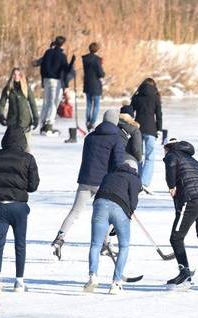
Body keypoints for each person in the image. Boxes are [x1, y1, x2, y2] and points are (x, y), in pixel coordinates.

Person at [51, 110, 126, 259]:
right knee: (105, 215)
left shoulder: (90, 137)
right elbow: (117, 163)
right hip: (103, 183)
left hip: (85, 180)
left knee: (75, 211)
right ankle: (104, 244)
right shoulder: (116, 138)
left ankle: (59, 239)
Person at [0, 127, 40, 293]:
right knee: (20, 244)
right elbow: (33, 185)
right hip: (19, 207)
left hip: (0, 205)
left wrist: (0, 186)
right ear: (23, 141)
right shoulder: (28, 158)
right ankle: (19, 282)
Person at [83, 160, 141, 294]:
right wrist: (129, 213)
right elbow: (133, 200)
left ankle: (93, 276)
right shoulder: (134, 178)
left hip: (100, 204)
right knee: (124, 246)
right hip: (120, 208)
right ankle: (116, 283)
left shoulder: (109, 175)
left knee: (95, 244)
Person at [163, 138, 198, 289]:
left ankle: (184, 273)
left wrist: (171, 185)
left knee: (176, 237)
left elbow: (171, 165)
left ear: (168, 147)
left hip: (191, 199)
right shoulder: (194, 160)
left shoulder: (172, 155)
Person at [130, 78, 163, 192]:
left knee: (138, 156)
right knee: (150, 156)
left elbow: (130, 112)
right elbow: (159, 115)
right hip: (151, 129)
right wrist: (159, 129)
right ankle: (144, 181)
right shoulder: (155, 97)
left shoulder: (136, 96)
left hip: (137, 129)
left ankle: (137, 180)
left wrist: (129, 126)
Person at [0, 68, 39, 152]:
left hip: (25, 123)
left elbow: (33, 104)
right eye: (14, 74)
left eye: (18, 74)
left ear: (21, 76)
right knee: (10, 147)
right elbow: (1, 104)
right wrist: (1, 116)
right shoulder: (8, 89)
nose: (16, 76)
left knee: (25, 148)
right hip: (12, 123)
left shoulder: (26, 88)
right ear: (12, 76)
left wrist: (36, 118)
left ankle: (27, 164)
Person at [38, 36, 71, 135]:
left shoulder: (48, 52)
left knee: (46, 102)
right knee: (53, 103)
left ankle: (42, 124)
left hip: (46, 80)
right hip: (55, 81)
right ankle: (49, 125)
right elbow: (66, 71)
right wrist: (66, 85)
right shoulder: (62, 56)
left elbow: (42, 67)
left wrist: (43, 80)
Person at [82, 42, 105, 131]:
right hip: (95, 85)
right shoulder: (97, 60)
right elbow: (101, 74)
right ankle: (92, 122)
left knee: (88, 104)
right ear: (97, 49)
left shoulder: (84, 58)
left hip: (87, 83)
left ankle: (88, 121)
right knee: (96, 105)